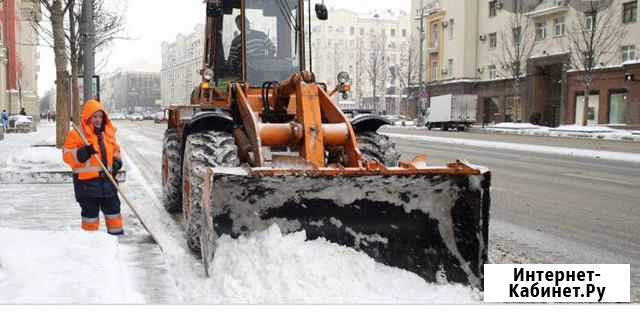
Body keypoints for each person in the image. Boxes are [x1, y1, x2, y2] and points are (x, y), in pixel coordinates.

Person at [63, 100, 124, 236]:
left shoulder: (107, 134)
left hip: (108, 183)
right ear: (88, 117)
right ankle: (90, 247)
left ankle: (118, 242)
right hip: (87, 186)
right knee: (90, 220)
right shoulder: (77, 134)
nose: (98, 120)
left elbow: (116, 150)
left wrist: (117, 162)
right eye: (94, 116)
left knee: (114, 215)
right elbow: (67, 155)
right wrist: (82, 153)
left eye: (100, 116)